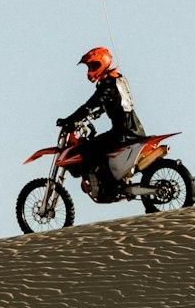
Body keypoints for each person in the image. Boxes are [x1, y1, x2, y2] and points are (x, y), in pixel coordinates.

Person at [58, 47, 146, 201]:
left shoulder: (107, 84)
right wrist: (98, 113)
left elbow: (90, 104)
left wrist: (69, 120)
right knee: (97, 146)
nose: (90, 70)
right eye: (89, 67)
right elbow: (117, 102)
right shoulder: (119, 79)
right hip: (135, 129)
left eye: (93, 66)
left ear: (103, 63)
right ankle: (113, 180)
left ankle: (108, 188)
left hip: (123, 133)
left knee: (87, 150)